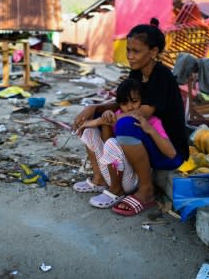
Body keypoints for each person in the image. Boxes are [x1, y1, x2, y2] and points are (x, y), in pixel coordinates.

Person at [73, 23, 189, 216]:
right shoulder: (137, 72)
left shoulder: (161, 76)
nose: (130, 56)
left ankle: (146, 190)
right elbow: (122, 103)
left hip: (168, 151)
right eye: (128, 50)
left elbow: (141, 113)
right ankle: (101, 177)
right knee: (96, 115)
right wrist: (94, 109)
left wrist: (103, 119)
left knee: (126, 124)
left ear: (153, 52)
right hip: (148, 142)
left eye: (136, 51)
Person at [73, 78, 176, 209]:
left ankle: (117, 191)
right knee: (90, 132)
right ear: (119, 104)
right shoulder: (117, 115)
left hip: (131, 179)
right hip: (113, 172)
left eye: (134, 101)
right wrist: (106, 120)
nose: (130, 107)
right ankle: (99, 180)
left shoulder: (152, 121)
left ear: (142, 101)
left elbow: (171, 153)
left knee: (112, 142)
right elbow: (106, 144)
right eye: (124, 103)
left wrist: (150, 130)